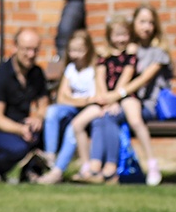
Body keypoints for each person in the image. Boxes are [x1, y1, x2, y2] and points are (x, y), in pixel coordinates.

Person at [71, 14, 138, 184]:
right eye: (117, 34)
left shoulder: (130, 57)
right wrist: (103, 99)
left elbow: (124, 80)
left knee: (108, 119)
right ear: (109, 36)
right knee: (90, 121)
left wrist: (113, 100)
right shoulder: (104, 56)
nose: (120, 39)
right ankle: (91, 166)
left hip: (121, 100)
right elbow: (99, 78)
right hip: (103, 100)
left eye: (124, 34)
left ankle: (110, 166)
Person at [37, 29, 98, 185]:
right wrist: (83, 100)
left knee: (73, 128)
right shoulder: (70, 69)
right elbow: (61, 97)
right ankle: (50, 156)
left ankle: (57, 172)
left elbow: (95, 98)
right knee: (52, 111)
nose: (75, 54)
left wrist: (75, 99)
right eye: (72, 51)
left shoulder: (95, 69)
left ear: (88, 50)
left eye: (79, 50)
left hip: (89, 113)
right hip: (72, 108)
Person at [0, 28, 50, 183]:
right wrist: (20, 130)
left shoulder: (36, 73)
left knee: (49, 128)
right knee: (20, 147)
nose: (31, 55)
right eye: (26, 49)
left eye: (35, 50)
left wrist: (38, 117)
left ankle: (32, 170)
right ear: (15, 48)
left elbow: (44, 101)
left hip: (22, 127)